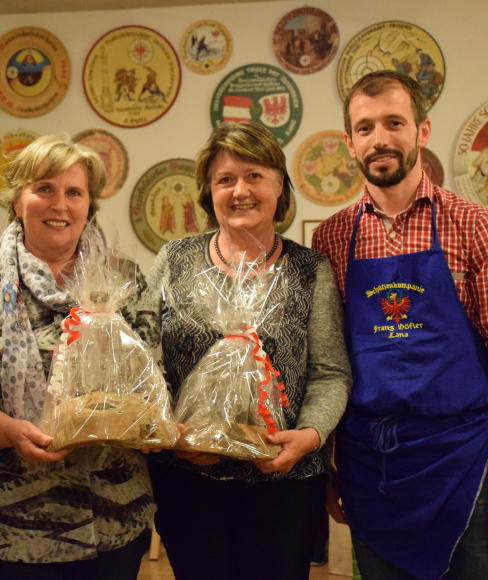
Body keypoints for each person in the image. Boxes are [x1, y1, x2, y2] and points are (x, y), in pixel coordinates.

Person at [0, 134, 154, 580]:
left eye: (74, 192)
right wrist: (11, 432)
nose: (60, 205)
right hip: (8, 530)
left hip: (112, 523)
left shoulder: (124, 280)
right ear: (17, 199)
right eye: (44, 189)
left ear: (90, 205)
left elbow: (153, 382)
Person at [139, 122, 351, 580]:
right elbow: (144, 358)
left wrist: (310, 435)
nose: (240, 191)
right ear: (208, 192)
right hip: (186, 476)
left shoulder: (311, 270)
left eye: (254, 175)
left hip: (287, 482)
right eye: (225, 179)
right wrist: (171, 431)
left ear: (280, 186)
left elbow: (331, 372)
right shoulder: (175, 259)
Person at [312, 70, 488, 579]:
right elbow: (329, 363)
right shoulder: (332, 238)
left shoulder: (474, 225)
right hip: (373, 472)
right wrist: (330, 468)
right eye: (365, 128)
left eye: (395, 122)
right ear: (350, 143)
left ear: (422, 131)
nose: (381, 139)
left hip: (467, 465)